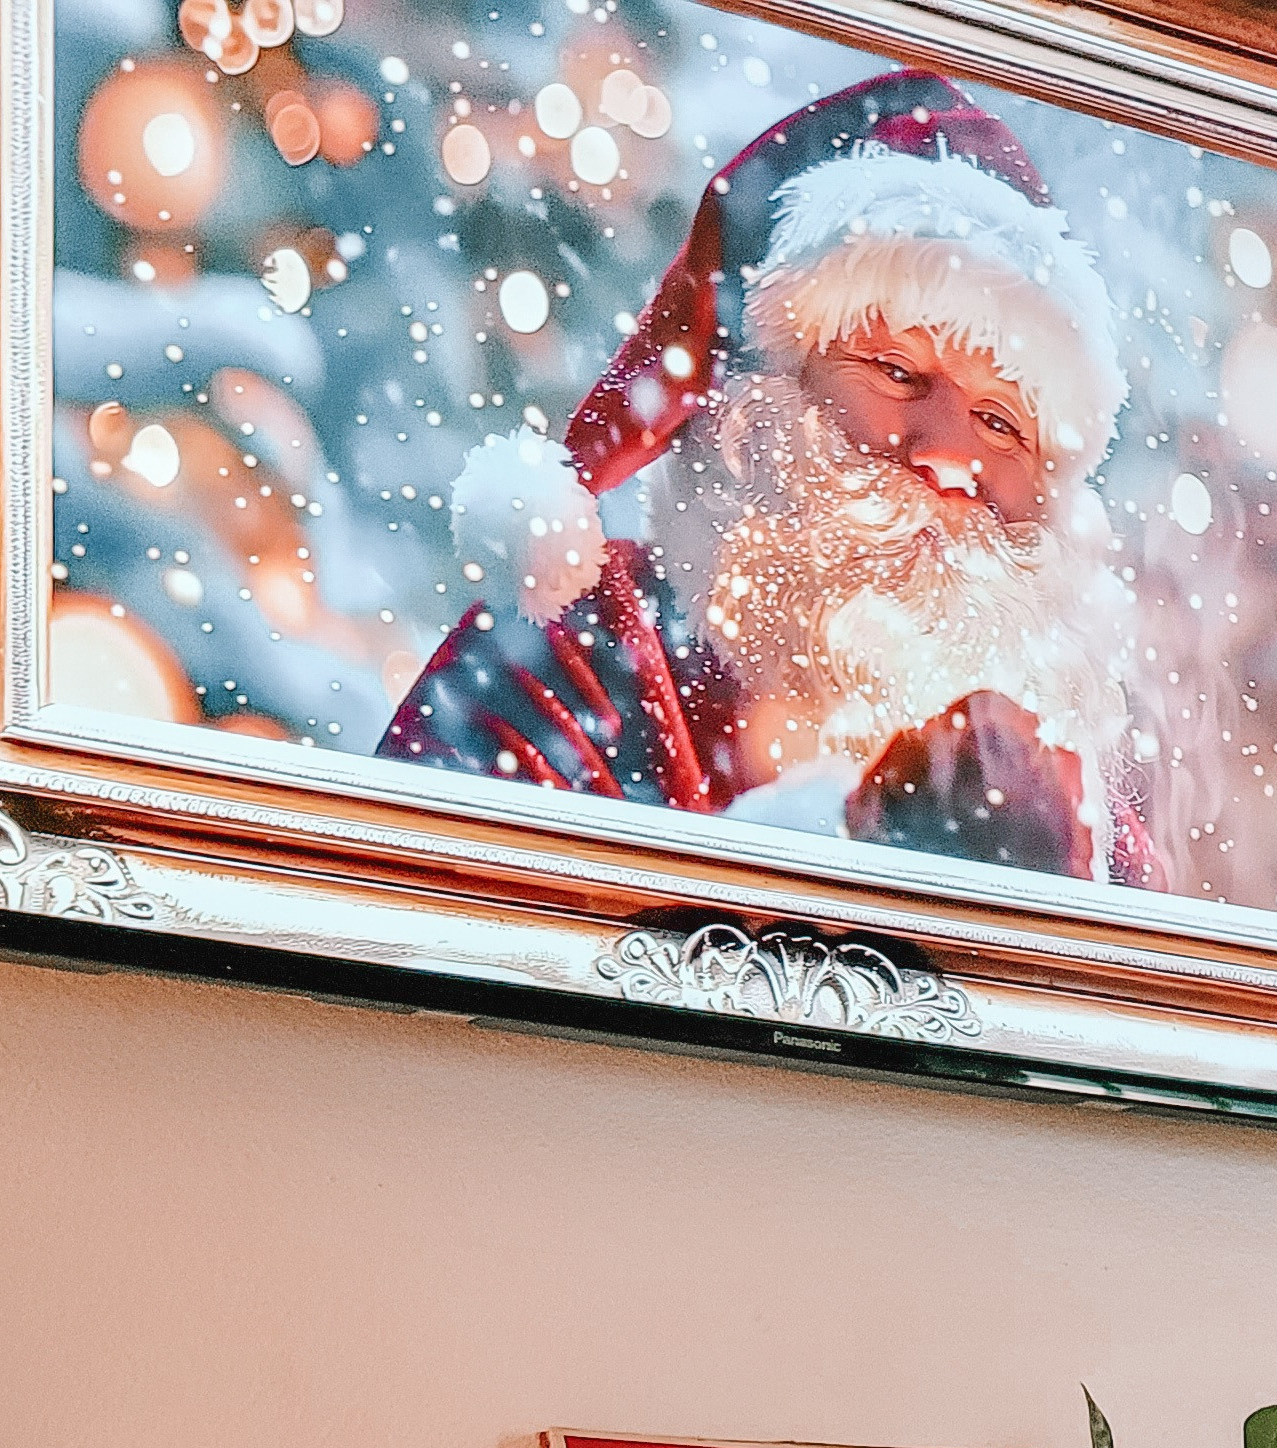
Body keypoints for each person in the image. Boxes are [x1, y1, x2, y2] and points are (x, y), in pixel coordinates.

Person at [379, 72, 1162, 886]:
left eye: (1002, 424)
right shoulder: (582, 655)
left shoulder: (1072, 816)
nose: (946, 457)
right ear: (772, 387)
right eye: (897, 372)